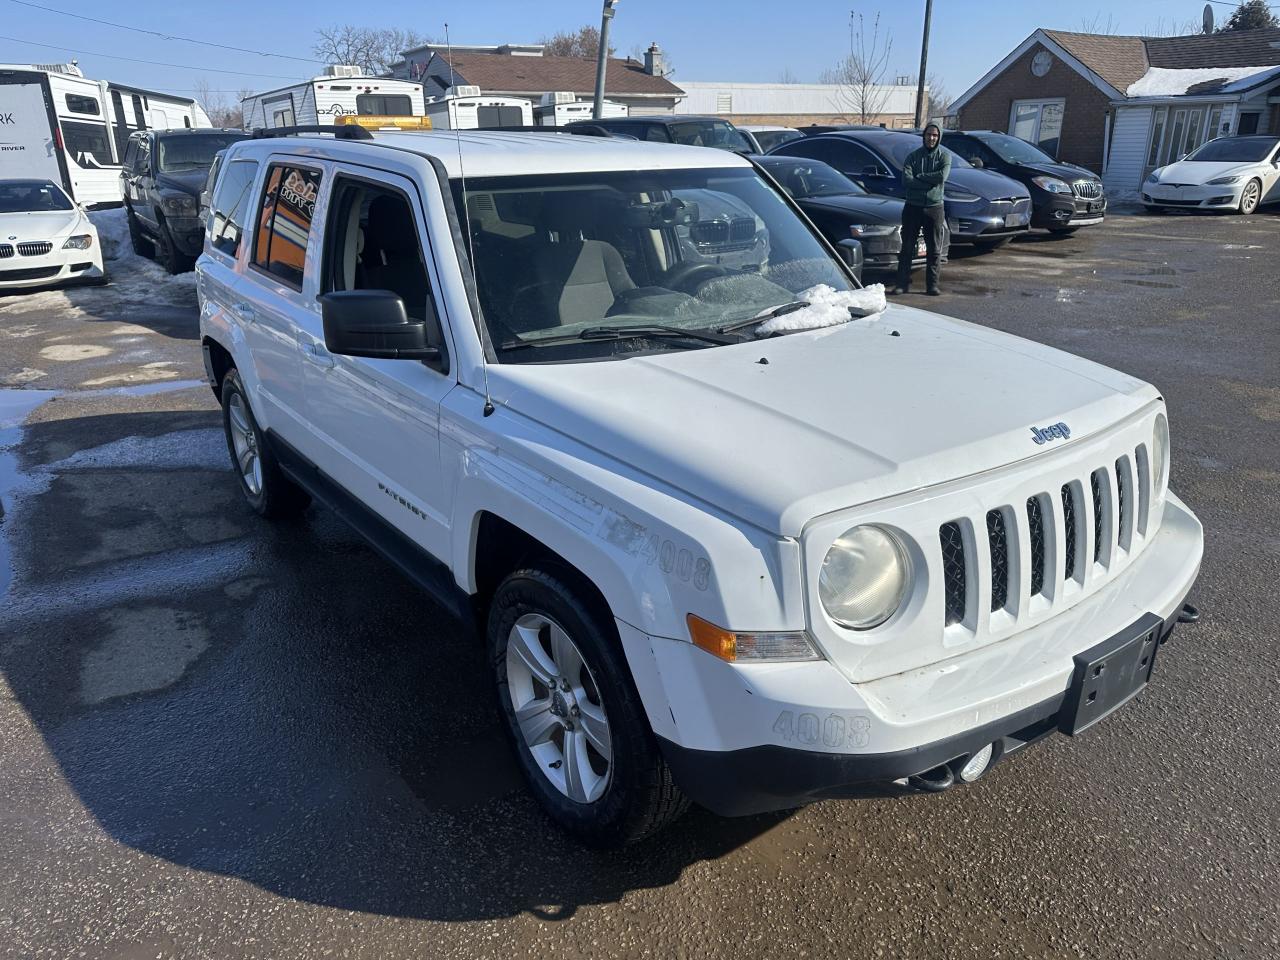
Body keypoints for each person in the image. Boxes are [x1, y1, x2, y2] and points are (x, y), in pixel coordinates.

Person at [893, 123, 950, 297]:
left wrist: (921, 176)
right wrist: (928, 182)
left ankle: (932, 285)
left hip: (934, 208)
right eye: (928, 134)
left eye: (935, 135)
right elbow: (907, 180)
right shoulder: (913, 157)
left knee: (934, 249)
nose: (931, 138)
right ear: (924, 136)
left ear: (938, 137)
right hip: (913, 207)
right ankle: (902, 284)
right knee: (907, 248)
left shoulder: (944, 157)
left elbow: (942, 177)